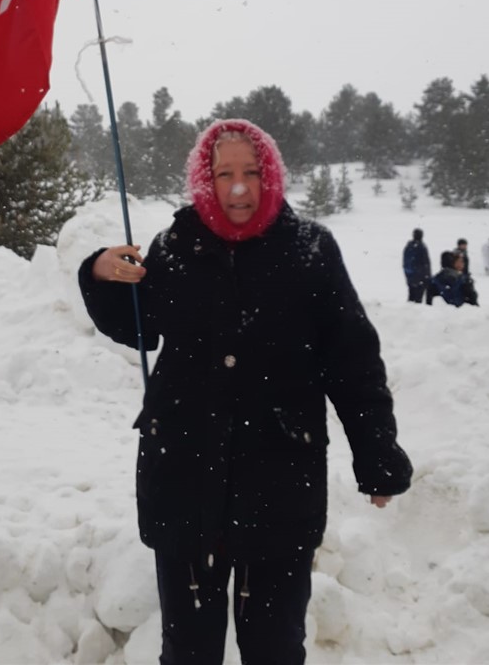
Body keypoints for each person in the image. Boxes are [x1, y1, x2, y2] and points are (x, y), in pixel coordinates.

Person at [78, 119, 412, 665]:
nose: (238, 188)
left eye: (251, 173)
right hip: (185, 482)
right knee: (188, 651)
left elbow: (353, 363)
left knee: (276, 648)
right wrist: (98, 275)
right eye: (224, 174)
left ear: (272, 175)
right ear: (203, 180)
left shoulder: (310, 251)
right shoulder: (176, 246)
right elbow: (139, 328)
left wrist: (377, 454)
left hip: (279, 486)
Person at [402, 228, 431, 303]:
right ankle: (414, 312)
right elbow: (426, 263)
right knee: (418, 298)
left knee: (411, 296)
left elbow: (405, 262)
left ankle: (409, 310)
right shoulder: (421, 247)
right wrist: (427, 276)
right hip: (420, 277)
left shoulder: (408, 246)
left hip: (411, 276)